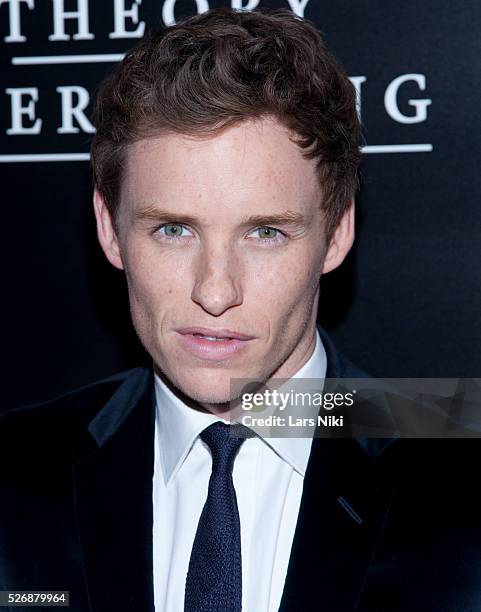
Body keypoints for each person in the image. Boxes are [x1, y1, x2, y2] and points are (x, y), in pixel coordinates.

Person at [2, 7, 480, 612]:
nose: (216, 290)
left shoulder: (460, 460)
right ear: (109, 228)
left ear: (336, 233)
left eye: (266, 233)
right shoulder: (16, 471)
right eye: (174, 229)